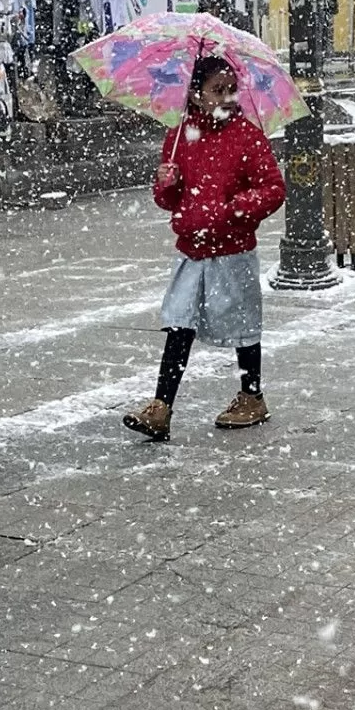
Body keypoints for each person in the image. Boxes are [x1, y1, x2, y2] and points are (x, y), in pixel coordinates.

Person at [123, 57, 286, 442]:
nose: (227, 97)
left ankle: (252, 394)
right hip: (191, 249)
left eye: (232, 89)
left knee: (243, 324)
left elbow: (273, 189)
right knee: (179, 323)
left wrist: (235, 209)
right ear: (196, 95)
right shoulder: (180, 135)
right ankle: (162, 406)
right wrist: (166, 183)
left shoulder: (247, 136)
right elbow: (168, 200)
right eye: (218, 90)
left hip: (232, 249)